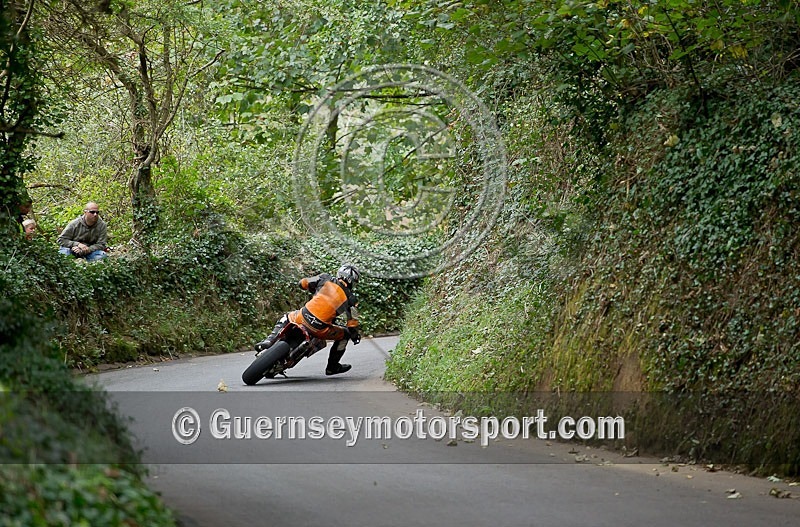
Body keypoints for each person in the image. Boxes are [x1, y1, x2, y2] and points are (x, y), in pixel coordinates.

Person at [255, 263, 362, 376]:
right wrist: (355, 336)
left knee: (287, 317)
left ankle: (269, 341)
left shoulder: (324, 278)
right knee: (345, 335)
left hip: (301, 317)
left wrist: (312, 288)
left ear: (339, 274)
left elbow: (303, 283)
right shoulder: (351, 300)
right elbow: (352, 324)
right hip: (320, 329)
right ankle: (332, 367)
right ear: (352, 281)